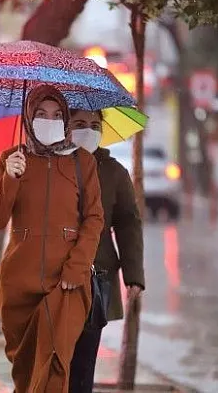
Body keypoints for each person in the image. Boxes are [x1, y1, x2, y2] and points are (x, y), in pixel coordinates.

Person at [0, 84, 104, 392]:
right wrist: (10, 178)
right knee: (26, 373)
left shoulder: (82, 162)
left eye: (55, 115)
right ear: (27, 118)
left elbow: (94, 218)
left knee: (54, 365)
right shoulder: (10, 159)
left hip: (66, 284)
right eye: (40, 114)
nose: (48, 120)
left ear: (65, 120)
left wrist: (77, 267)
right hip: (18, 286)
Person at [67, 110, 145, 392]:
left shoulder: (114, 172)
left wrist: (133, 276)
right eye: (79, 124)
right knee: (51, 361)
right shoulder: (52, 165)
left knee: (83, 364)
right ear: (66, 127)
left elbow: (128, 223)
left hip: (96, 279)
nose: (87, 130)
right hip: (52, 275)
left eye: (94, 125)